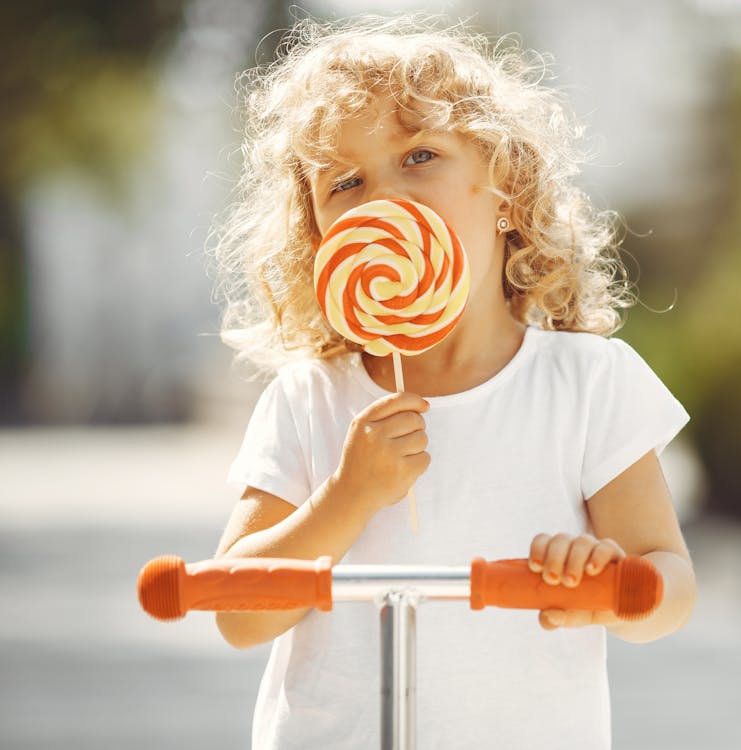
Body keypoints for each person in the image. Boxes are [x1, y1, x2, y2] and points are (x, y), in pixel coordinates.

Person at [210, 14, 696, 750]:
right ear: (317, 235)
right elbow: (236, 612)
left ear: (505, 188)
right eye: (345, 181)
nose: (381, 198)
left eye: (419, 156)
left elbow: (672, 584)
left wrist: (612, 588)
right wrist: (347, 497)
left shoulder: (587, 385)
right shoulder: (311, 400)